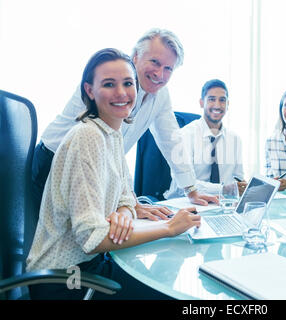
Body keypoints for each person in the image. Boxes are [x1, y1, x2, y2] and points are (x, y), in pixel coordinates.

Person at [26, 48, 201, 300]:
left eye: (128, 83)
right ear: (89, 90)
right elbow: (93, 237)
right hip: (66, 279)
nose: (121, 93)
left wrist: (123, 213)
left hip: (92, 266)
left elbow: (126, 198)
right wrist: (169, 227)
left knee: (166, 286)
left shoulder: (113, 133)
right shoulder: (87, 137)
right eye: (109, 84)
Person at [32, 28, 218, 222]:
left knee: (112, 231)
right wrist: (132, 202)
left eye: (168, 68)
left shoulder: (160, 94)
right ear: (136, 57)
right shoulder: (109, 85)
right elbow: (111, 145)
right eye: (155, 62)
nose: (159, 74)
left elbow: (171, 140)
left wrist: (191, 189)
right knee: (71, 240)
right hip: (54, 163)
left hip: (94, 171)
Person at [164, 79, 247, 198]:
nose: (217, 105)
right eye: (212, 99)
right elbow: (182, 183)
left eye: (222, 100)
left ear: (228, 104)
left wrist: (242, 186)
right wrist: (223, 189)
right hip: (185, 203)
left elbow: (238, 177)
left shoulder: (235, 139)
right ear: (201, 103)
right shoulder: (185, 135)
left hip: (223, 203)